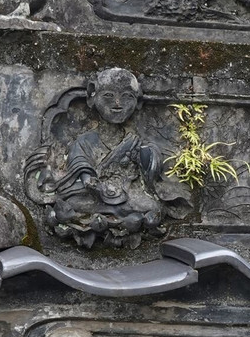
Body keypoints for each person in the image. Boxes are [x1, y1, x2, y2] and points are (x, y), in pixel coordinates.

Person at [48, 68, 164, 248]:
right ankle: (118, 221)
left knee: (152, 206)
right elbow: (80, 164)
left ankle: (109, 221)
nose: (117, 103)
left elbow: (149, 169)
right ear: (92, 97)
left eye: (127, 96)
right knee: (72, 203)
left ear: (138, 100)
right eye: (108, 96)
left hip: (127, 194)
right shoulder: (85, 141)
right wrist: (90, 182)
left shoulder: (134, 141)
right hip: (94, 195)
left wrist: (145, 156)